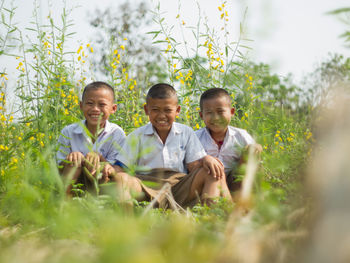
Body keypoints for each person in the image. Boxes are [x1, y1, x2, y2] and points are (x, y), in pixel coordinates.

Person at [108, 83, 232, 208]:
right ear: (146, 110)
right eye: (155, 110)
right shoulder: (136, 136)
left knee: (211, 171)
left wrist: (206, 159)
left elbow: (193, 166)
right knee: (121, 179)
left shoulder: (186, 132)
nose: (162, 116)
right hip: (145, 186)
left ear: (177, 110)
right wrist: (110, 169)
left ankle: (210, 218)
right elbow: (122, 167)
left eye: (167, 110)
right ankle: (127, 224)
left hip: (178, 186)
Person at [57, 81, 125, 195]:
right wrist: (72, 158)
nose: (95, 109)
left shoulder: (117, 133)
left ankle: (106, 206)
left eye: (102, 105)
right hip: (75, 184)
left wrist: (99, 158)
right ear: (81, 106)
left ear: (113, 108)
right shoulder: (68, 131)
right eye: (89, 103)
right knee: (74, 163)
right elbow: (58, 169)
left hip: (103, 183)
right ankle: (64, 205)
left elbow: (117, 170)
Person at [195, 88, 262, 192]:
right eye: (209, 112)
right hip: (207, 184)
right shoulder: (195, 137)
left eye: (220, 111)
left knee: (252, 151)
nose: (215, 118)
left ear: (232, 112)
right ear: (201, 115)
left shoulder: (240, 135)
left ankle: (244, 198)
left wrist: (255, 149)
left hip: (235, 184)